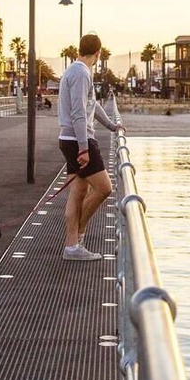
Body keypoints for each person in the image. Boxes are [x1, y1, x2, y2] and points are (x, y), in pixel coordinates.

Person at [57, 33, 124, 261]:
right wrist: (84, 148)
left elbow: (91, 106)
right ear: (98, 53)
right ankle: (77, 236)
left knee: (78, 192)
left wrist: (112, 126)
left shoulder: (79, 71)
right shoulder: (80, 72)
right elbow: (78, 113)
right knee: (105, 188)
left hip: (75, 139)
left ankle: (72, 245)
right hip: (78, 140)